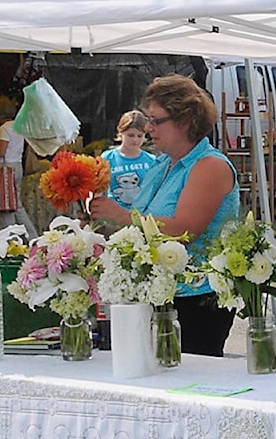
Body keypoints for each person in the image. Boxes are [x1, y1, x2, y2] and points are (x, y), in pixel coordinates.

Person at [89, 75, 240, 356]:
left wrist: (123, 217)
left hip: (197, 299)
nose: (148, 128)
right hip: (158, 293)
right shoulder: (162, 165)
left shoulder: (210, 166)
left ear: (185, 120)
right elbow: (143, 221)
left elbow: (184, 230)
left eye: (156, 120)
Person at [0, 96, 37, 239]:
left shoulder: (4, 129)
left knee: (6, 206)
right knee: (16, 204)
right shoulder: (18, 126)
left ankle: (9, 238)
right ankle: (32, 235)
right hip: (17, 166)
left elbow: (2, 151)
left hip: (5, 167)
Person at [100, 110, 156, 209]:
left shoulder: (151, 161)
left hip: (141, 215)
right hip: (113, 215)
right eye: (130, 135)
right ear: (121, 133)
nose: (135, 140)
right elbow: (98, 189)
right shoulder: (107, 158)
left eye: (140, 136)